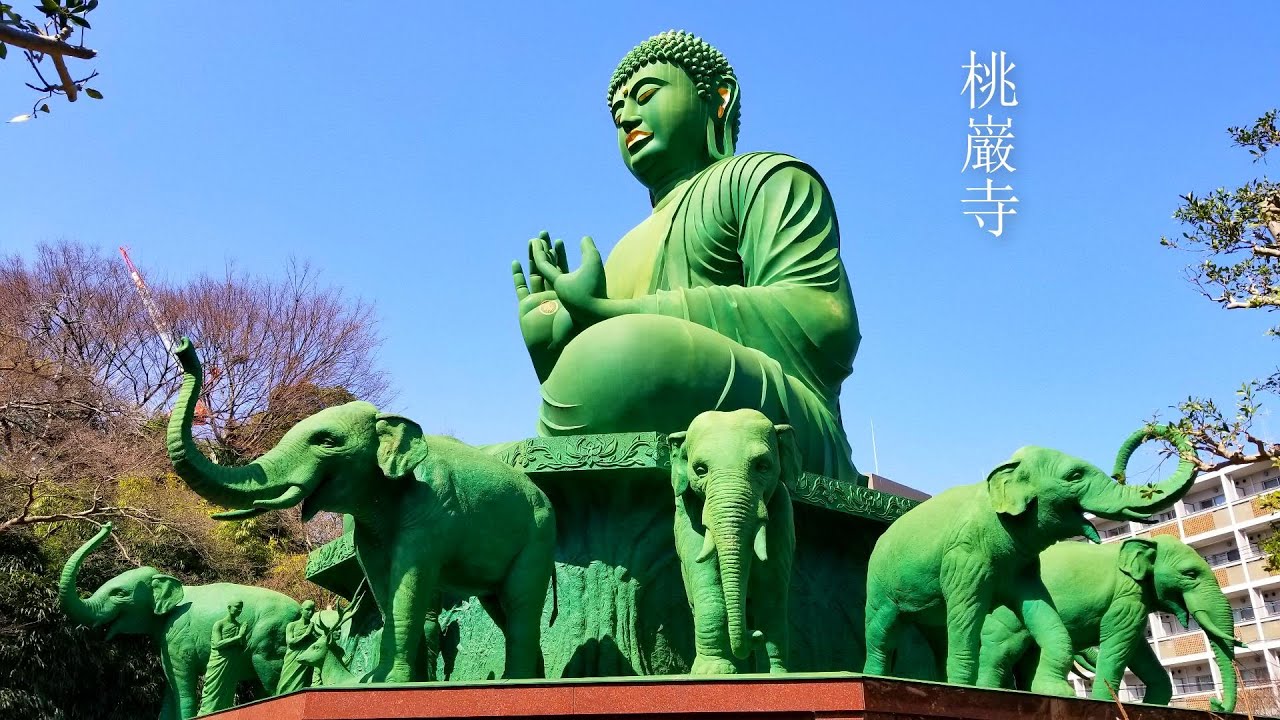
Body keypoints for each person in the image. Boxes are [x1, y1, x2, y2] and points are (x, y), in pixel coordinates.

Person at [512, 30, 862, 482]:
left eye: (645, 95)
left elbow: (824, 319)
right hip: (643, 388)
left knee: (623, 353)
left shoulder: (766, 179)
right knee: (593, 372)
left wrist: (616, 315)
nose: (628, 119)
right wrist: (553, 349)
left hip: (786, 425)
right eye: (617, 113)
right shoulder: (625, 245)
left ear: (718, 98)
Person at [200, 600, 248, 714]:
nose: (239, 610)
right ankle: (205, 715)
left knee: (228, 693)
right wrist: (239, 636)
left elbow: (242, 647)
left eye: (241, 608)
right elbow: (217, 644)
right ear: (229, 607)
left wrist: (243, 635)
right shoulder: (219, 624)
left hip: (231, 664)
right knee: (212, 692)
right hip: (218, 664)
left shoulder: (239, 626)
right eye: (237, 607)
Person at [275, 600, 316, 694]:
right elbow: (290, 642)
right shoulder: (292, 625)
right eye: (307, 609)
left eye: (312, 610)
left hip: (305, 661)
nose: (310, 612)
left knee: (303, 685)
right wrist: (306, 635)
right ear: (301, 610)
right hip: (292, 659)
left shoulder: (313, 626)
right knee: (285, 684)